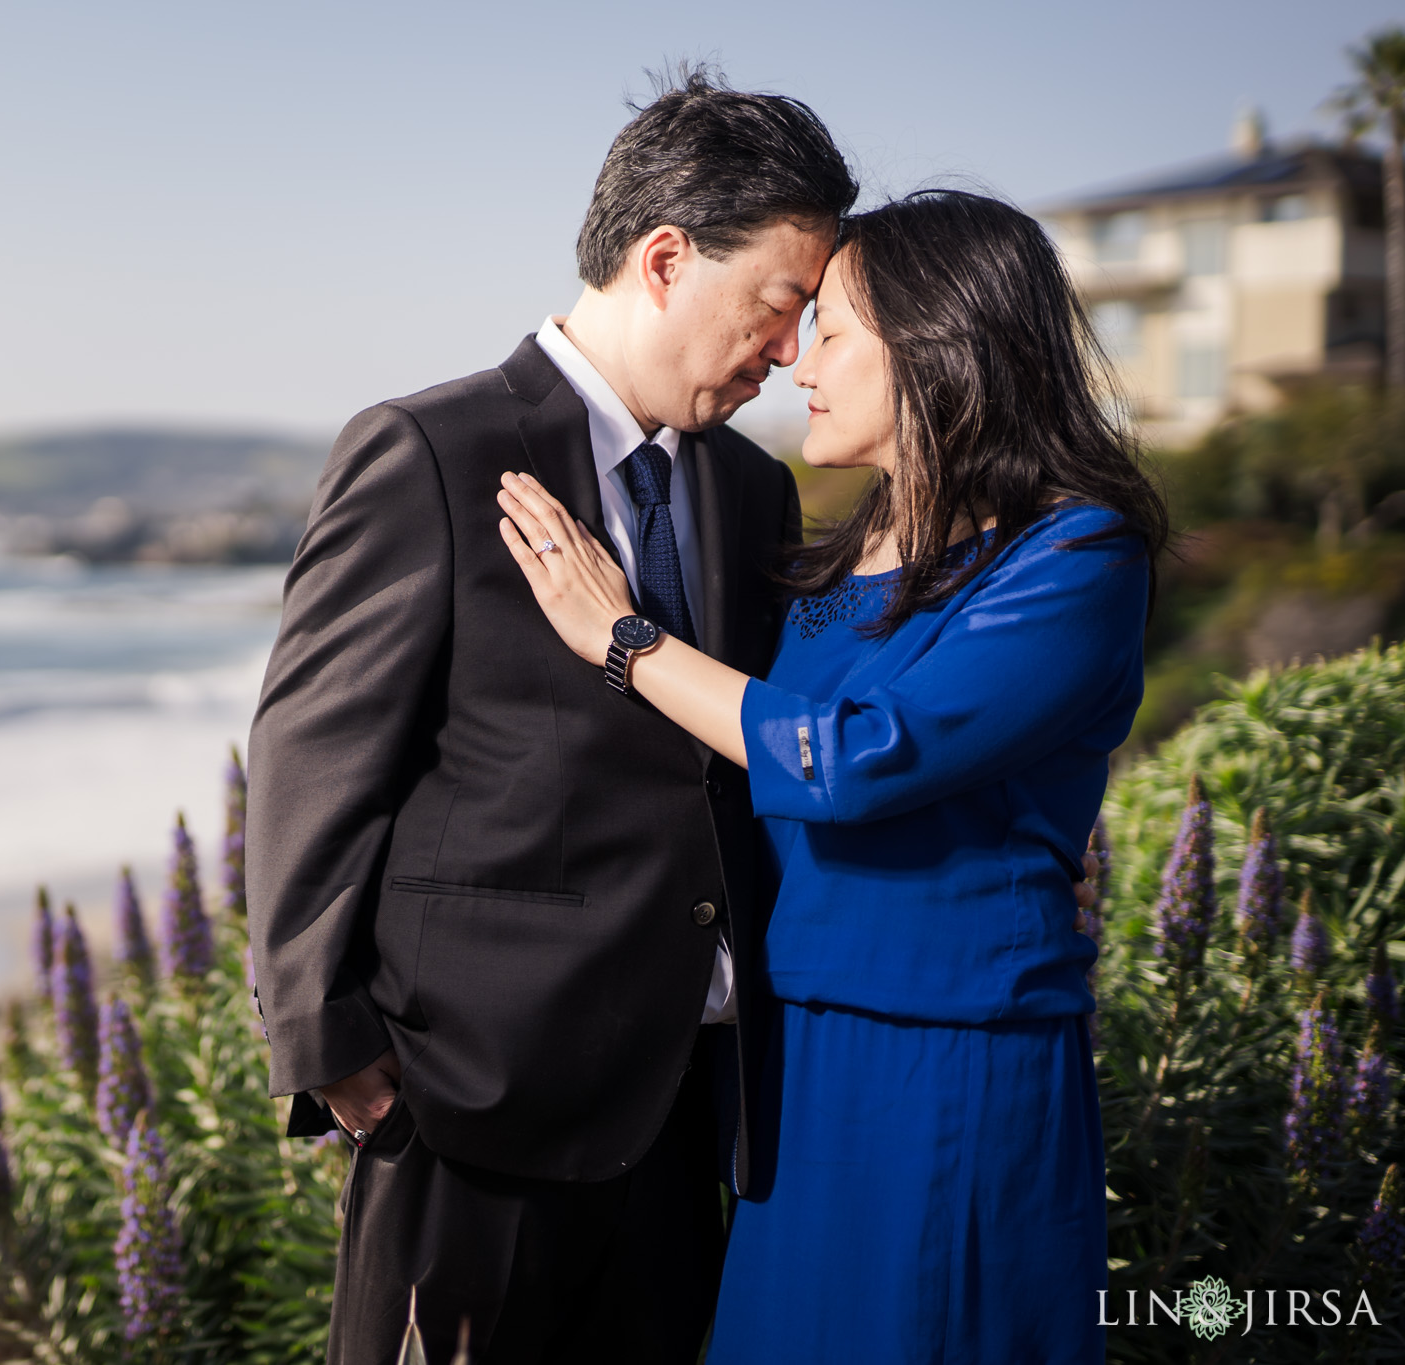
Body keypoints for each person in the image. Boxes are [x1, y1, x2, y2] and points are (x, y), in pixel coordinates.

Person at [245, 68, 856, 1365]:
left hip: (695, 1113)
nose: (790, 351)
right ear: (667, 257)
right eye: (779, 305)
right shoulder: (432, 448)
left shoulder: (755, 492)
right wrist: (330, 1046)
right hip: (469, 1111)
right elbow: (311, 758)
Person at [495, 188, 1169, 1363]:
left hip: (947, 1045)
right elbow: (731, 755)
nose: (792, 360)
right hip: (788, 1053)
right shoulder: (839, 545)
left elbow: (859, 756)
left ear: (936, 348)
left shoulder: (1074, 554)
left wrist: (622, 638)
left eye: (831, 329)